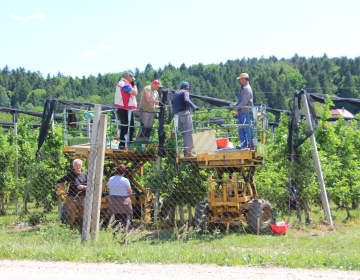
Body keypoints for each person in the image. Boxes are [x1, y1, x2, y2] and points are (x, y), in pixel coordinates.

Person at [57, 159, 87, 230]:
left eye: (79, 165)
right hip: (72, 197)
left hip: (82, 198)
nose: (78, 166)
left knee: (82, 216)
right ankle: (70, 232)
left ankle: (83, 232)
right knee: (71, 216)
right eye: (76, 165)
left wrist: (83, 187)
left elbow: (90, 186)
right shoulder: (70, 175)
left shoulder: (85, 175)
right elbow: (59, 182)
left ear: (82, 166)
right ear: (74, 166)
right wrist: (64, 189)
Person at [172, 81, 200, 157]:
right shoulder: (185, 92)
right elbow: (187, 100)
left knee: (184, 134)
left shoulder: (176, 93)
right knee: (189, 133)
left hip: (177, 116)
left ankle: (184, 151)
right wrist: (194, 107)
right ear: (187, 88)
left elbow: (172, 102)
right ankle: (188, 153)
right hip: (185, 114)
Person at [114, 71, 138, 149]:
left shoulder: (121, 83)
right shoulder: (125, 84)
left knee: (124, 126)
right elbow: (134, 93)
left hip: (121, 107)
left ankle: (123, 143)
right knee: (129, 126)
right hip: (125, 108)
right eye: (131, 79)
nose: (132, 81)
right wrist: (134, 85)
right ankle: (126, 143)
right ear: (128, 77)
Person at [107, 164, 133, 229]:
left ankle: (115, 233)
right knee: (124, 219)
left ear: (117, 170)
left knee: (115, 219)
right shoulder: (125, 180)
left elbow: (109, 188)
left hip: (113, 201)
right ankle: (123, 233)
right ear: (124, 172)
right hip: (124, 202)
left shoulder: (111, 179)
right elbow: (129, 192)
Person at [236, 73, 255, 149]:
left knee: (248, 129)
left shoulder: (247, 88)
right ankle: (243, 144)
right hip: (241, 111)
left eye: (240, 79)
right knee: (241, 129)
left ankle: (252, 145)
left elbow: (245, 101)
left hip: (245, 112)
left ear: (244, 79)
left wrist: (237, 107)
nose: (240, 80)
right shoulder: (242, 88)